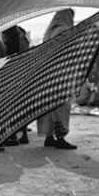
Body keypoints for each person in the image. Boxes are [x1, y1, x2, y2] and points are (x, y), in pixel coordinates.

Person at [37, 9, 77, 149]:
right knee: (61, 106)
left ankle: (49, 137)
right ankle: (60, 138)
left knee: (48, 106)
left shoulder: (48, 32)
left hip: (47, 75)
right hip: (60, 74)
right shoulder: (64, 30)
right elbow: (67, 52)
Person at [0, 25, 32, 145]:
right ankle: (23, 134)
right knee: (21, 105)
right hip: (23, 73)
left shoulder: (11, 36)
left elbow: (9, 55)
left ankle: (13, 136)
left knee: (12, 106)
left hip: (13, 74)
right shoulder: (20, 33)